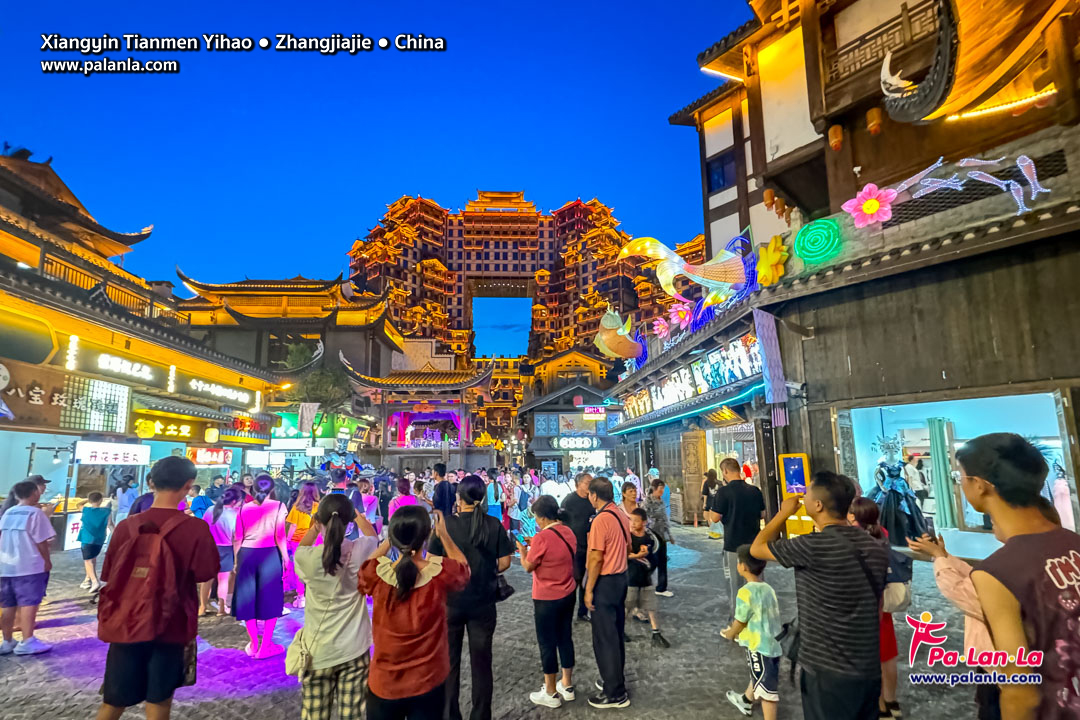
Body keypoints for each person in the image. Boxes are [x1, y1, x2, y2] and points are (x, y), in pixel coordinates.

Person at [750, 471, 888, 720]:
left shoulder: (813, 546)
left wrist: (783, 513)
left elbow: (757, 548)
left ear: (818, 505)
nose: (802, 497)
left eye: (807, 493)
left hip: (827, 670)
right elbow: (877, 604)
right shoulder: (874, 545)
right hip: (868, 665)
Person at [961, 433, 1080, 720]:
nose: (961, 484)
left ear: (980, 485)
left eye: (961, 477)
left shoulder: (996, 572)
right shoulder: (1072, 542)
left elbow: (1020, 689)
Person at [94, 456, 219, 720]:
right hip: (170, 621)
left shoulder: (127, 527)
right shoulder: (195, 528)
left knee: (113, 700)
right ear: (189, 484)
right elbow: (206, 573)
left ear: (151, 482)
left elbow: (109, 574)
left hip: (126, 619)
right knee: (159, 701)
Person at [360, 506, 470, 720]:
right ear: (428, 534)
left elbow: (365, 567)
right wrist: (445, 536)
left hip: (384, 683)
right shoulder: (439, 573)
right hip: (428, 681)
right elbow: (463, 569)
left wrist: (389, 541)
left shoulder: (377, 574)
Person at [428, 475, 512, 720]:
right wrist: (485, 569)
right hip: (483, 603)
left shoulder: (447, 527)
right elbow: (505, 562)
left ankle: (450, 715)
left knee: (449, 663)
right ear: (482, 497)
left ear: (458, 497)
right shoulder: (493, 523)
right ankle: (480, 715)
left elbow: (432, 561)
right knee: (482, 663)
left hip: (450, 603)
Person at [294, 492, 379, 720]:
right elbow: (373, 536)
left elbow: (301, 548)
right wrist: (357, 515)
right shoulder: (361, 550)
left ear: (318, 521)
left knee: (314, 715)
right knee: (353, 715)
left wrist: (314, 525)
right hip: (354, 647)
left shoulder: (308, 558)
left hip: (317, 651)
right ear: (349, 522)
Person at [514, 495, 578, 707]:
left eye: (536, 518)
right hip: (568, 592)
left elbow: (528, 566)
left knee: (547, 642)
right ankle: (566, 684)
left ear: (542, 518)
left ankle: (550, 691)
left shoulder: (542, 537)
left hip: (546, 597)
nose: (536, 522)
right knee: (565, 637)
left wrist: (523, 552)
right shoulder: (568, 531)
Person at [848, 497, 902, 720]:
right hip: (884, 604)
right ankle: (891, 701)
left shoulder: (855, 539)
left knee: (871, 658)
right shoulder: (883, 533)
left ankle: (880, 707)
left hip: (864, 606)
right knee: (888, 655)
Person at [584, 475, 631, 709]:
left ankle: (615, 693)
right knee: (615, 633)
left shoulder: (601, 520)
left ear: (594, 495)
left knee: (605, 638)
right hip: (621, 579)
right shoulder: (620, 514)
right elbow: (628, 545)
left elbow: (595, 557)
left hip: (606, 581)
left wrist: (588, 589)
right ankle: (614, 680)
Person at [720, 544, 781, 720]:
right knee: (760, 674)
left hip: (759, 646)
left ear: (743, 567)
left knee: (767, 690)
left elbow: (740, 620)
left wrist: (731, 633)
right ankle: (746, 699)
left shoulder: (745, 592)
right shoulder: (767, 588)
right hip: (774, 643)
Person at [233, 474, 289, 658]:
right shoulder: (279, 506)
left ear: (254, 488)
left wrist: (236, 560)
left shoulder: (243, 509)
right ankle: (266, 646)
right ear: (272, 488)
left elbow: (238, 538)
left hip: (247, 555)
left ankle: (254, 644)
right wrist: (286, 558)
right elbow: (280, 535)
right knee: (271, 599)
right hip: (269, 554)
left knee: (248, 599)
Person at [0, 479, 55, 656]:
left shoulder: (8, 512)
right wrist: (47, 560)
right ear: (34, 493)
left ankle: (7, 640)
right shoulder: (35, 514)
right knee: (29, 604)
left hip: (6, 567)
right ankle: (27, 640)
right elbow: (41, 541)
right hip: (29, 566)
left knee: (8, 604)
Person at [708, 458, 765, 621]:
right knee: (755, 580)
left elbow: (715, 518)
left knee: (735, 585)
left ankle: (737, 620)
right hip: (755, 545)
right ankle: (757, 616)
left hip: (733, 545)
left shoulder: (723, 492)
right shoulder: (755, 490)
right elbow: (762, 514)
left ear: (725, 471)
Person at [626, 508, 670, 648]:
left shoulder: (649, 538)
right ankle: (619, 630)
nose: (632, 524)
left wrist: (646, 559)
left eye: (636, 521)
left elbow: (652, 554)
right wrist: (638, 555)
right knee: (627, 606)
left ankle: (656, 632)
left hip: (645, 578)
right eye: (631, 520)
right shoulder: (628, 538)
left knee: (651, 606)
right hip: (631, 579)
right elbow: (625, 555)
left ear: (644, 522)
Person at [202, 486, 243, 616]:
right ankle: (221, 608)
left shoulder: (210, 510)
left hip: (209, 547)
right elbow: (236, 539)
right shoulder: (235, 514)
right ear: (234, 501)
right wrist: (236, 560)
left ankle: (202, 607)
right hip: (226, 549)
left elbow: (203, 529)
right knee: (223, 580)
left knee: (206, 580)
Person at [561, 472, 594, 621]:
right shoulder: (569, 501)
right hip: (573, 548)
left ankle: (583, 611)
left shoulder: (593, 501)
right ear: (578, 484)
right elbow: (561, 522)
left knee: (587, 581)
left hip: (590, 547)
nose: (589, 486)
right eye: (587, 483)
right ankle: (567, 612)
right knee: (574, 580)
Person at [286, 481, 321, 609]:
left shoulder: (297, 507)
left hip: (298, 541)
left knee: (299, 569)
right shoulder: (319, 506)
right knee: (313, 567)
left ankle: (301, 597)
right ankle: (313, 595)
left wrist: (287, 540)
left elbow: (293, 526)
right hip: (314, 540)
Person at [642, 479, 673, 597]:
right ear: (654, 489)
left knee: (662, 561)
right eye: (660, 489)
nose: (662, 491)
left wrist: (669, 535)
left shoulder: (661, 502)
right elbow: (644, 518)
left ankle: (661, 587)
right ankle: (643, 582)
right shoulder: (647, 502)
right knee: (652, 561)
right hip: (652, 535)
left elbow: (665, 518)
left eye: (663, 489)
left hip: (661, 534)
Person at [78, 491, 111, 593]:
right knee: (93, 559)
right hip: (100, 539)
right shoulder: (106, 511)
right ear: (101, 500)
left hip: (87, 539)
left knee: (88, 561)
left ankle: (94, 581)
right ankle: (88, 579)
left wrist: (87, 499)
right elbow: (110, 525)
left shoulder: (86, 510)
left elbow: (78, 504)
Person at [702, 470, 722, 539]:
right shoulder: (720, 483)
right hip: (718, 502)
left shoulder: (706, 483)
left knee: (709, 518)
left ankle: (713, 532)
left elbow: (705, 494)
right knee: (716, 518)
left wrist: (704, 503)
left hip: (709, 502)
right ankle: (716, 532)